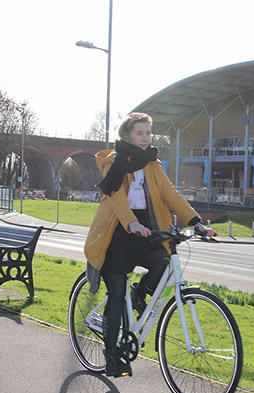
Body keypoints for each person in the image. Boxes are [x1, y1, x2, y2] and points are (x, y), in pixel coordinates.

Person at [83, 112, 215, 378]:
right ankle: (112, 357)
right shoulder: (114, 162)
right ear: (127, 136)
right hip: (118, 230)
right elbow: (118, 198)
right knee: (116, 296)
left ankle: (139, 293)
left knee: (164, 264)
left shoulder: (153, 165)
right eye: (140, 133)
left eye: (148, 133)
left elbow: (171, 195)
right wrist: (131, 224)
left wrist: (195, 221)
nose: (145, 138)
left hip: (148, 225)